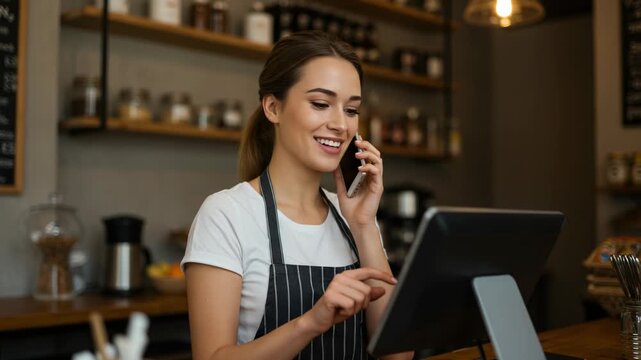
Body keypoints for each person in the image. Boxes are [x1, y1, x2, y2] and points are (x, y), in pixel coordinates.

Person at [182, 31, 413, 360]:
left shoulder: (353, 218)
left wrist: (363, 224)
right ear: (273, 107)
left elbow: (399, 356)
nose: (340, 124)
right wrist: (311, 322)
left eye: (351, 110)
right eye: (321, 104)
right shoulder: (226, 214)